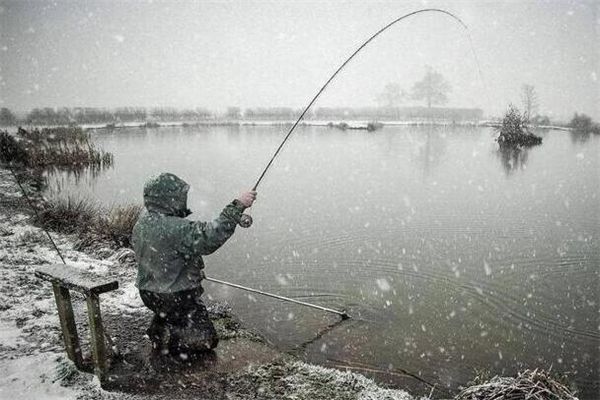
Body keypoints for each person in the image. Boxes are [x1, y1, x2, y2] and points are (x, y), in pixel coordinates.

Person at [131, 172, 256, 357]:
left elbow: (164, 256)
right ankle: (176, 349)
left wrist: (189, 270)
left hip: (149, 294)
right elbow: (210, 237)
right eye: (180, 197)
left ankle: (161, 332)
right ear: (170, 199)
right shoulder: (177, 227)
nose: (184, 201)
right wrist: (237, 205)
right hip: (175, 297)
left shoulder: (141, 224)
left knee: (168, 313)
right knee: (206, 340)